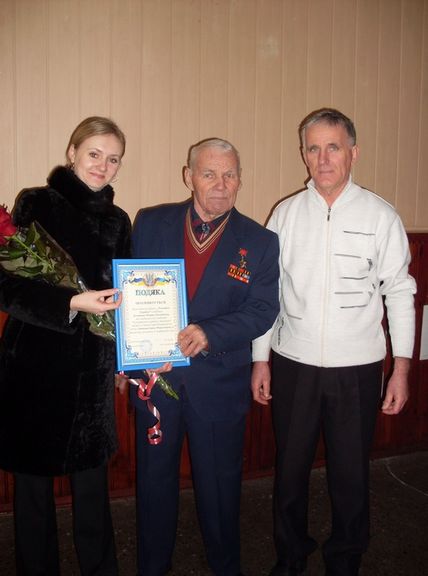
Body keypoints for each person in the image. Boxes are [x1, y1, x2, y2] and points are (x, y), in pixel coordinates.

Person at [251, 108, 416, 576]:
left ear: (353, 153)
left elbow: (400, 291)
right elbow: (267, 293)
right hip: (293, 363)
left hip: (357, 368)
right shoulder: (285, 215)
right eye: (313, 148)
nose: (323, 159)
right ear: (304, 154)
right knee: (290, 471)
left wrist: (401, 368)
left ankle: (345, 559)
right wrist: (260, 359)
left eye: (334, 147)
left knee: (350, 473)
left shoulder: (380, 215)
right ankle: (291, 555)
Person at [131, 137, 280, 576]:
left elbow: (262, 309)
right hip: (156, 380)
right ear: (189, 176)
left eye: (230, 174)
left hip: (219, 385)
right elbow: (128, 292)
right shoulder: (150, 223)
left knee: (220, 492)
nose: (220, 183)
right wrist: (129, 358)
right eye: (209, 173)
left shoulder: (260, 241)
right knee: (153, 487)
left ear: (240, 180)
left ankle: (225, 568)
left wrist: (209, 333)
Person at [0, 116, 132, 575]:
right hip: (33, 369)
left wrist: (129, 357)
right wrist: (72, 302)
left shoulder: (119, 221)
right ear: (72, 152)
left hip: (91, 375)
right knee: (33, 496)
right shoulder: (36, 203)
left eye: (113, 159)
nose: (103, 165)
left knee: (93, 493)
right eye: (94, 153)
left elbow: (126, 296)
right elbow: (6, 287)